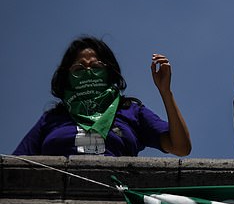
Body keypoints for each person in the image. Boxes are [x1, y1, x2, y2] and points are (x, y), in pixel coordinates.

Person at [14, 36, 191, 157]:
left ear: (109, 73)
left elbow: (181, 147)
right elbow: (14, 167)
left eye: (96, 67)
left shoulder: (131, 111)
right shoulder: (52, 119)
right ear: (67, 78)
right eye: (79, 69)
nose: (88, 73)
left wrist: (166, 92)